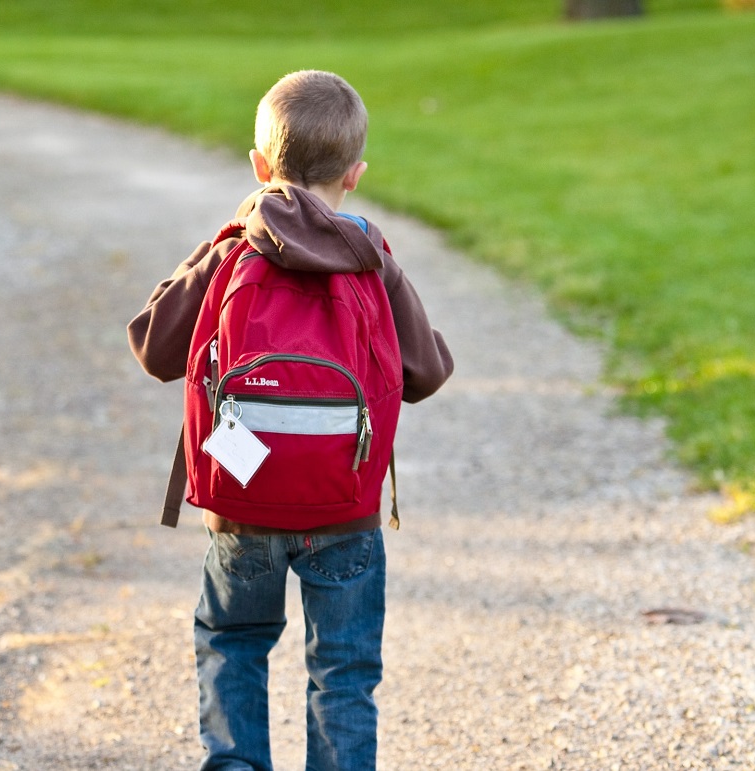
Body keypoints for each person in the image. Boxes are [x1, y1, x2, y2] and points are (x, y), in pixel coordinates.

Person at [127, 70, 453, 771]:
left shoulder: (235, 249)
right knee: (342, 672)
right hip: (345, 506)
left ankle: (236, 763)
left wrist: (216, 246)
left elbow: (154, 345)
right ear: (356, 175)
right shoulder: (372, 258)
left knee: (233, 639)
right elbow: (427, 374)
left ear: (259, 165)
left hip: (244, 501)